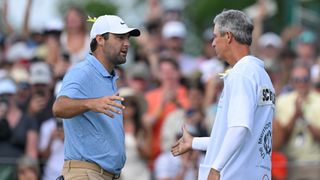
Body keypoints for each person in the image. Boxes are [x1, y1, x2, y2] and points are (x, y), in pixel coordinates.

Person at [171, 9, 275, 180]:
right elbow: (238, 138)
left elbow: (239, 129)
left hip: (234, 175)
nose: (212, 43)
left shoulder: (242, 73)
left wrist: (215, 168)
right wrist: (194, 143)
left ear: (228, 36)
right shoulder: (261, 74)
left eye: (215, 36)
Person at [52, 15, 140, 180]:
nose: (127, 43)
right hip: (86, 174)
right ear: (100, 39)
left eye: (127, 38)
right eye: (120, 37)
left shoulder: (109, 76)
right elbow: (59, 107)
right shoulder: (82, 71)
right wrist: (91, 103)